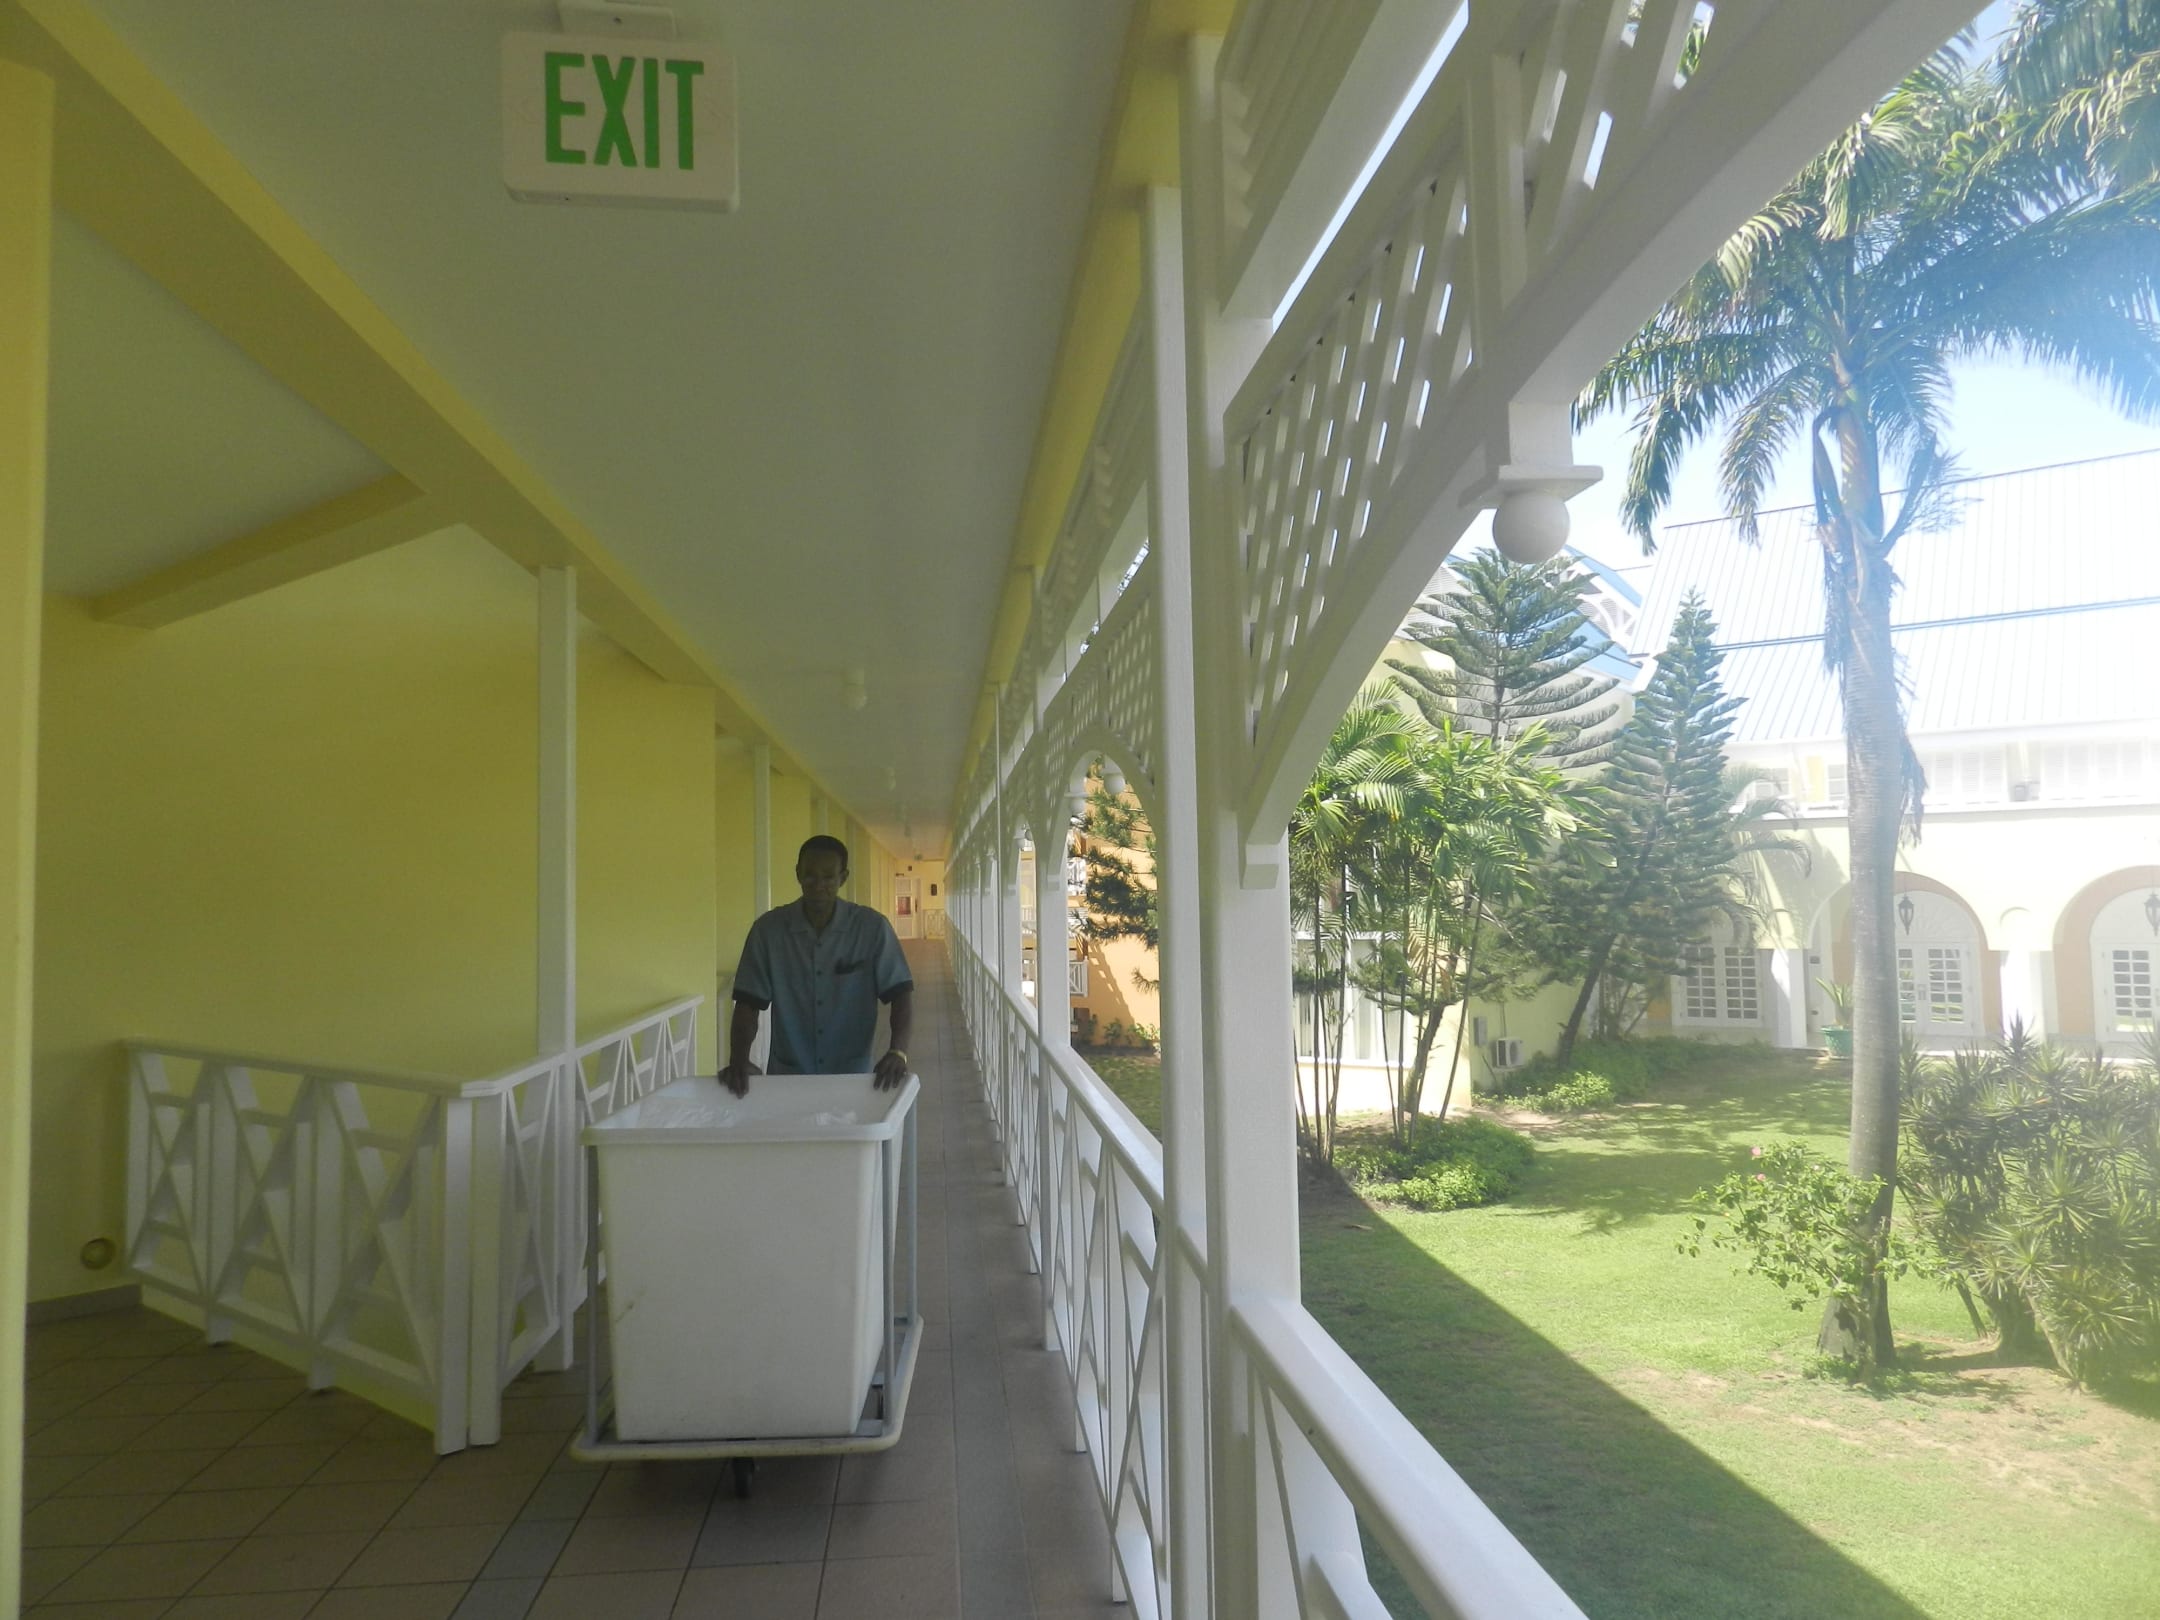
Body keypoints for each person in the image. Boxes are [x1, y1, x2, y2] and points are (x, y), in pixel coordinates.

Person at [721, 834, 913, 1095]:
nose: (818, 885)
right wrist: (739, 1059)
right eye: (810, 875)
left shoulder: (871, 929)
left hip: (853, 1077)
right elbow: (747, 1003)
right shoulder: (768, 931)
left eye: (828, 876)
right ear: (798, 874)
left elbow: (901, 993)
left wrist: (898, 1051)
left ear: (843, 878)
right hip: (789, 1078)